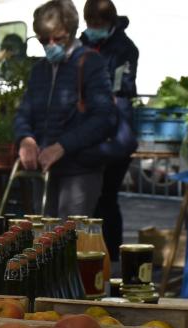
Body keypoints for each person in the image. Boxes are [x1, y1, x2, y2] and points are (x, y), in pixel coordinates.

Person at [14, 0, 116, 219]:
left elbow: (105, 118)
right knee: (44, 239)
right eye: (43, 40)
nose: (50, 44)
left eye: (57, 38)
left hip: (80, 170)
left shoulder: (91, 63)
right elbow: (24, 111)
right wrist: (25, 139)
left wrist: (62, 146)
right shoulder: (39, 70)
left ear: (71, 31)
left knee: (69, 238)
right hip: (45, 170)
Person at [80, 0, 138, 262]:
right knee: (89, 198)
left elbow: (120, 88)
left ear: (109, 23)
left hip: (114, 134)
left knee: (106, 198)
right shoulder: (83, 43)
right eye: (90, 24)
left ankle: (110, 255)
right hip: (88, 127)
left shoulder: (125, 49)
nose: (93, 29)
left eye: (98, 25)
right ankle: (90, 252)